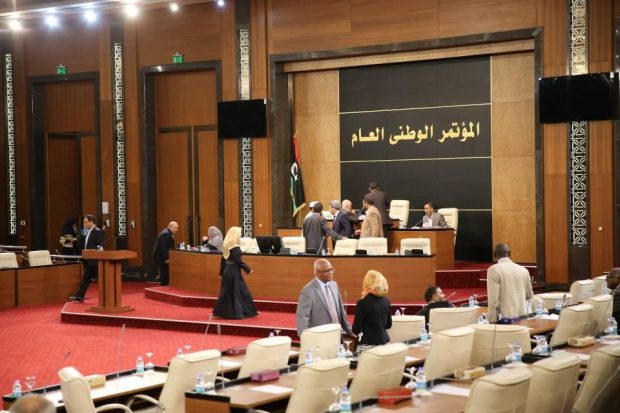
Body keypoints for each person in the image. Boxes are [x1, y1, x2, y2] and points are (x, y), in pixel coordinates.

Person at [296, 258, 354, 337]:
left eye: (331, 269)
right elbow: (302, 316)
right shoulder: (308, 291)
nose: (331, 273)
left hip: (337, 334)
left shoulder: (334, 285)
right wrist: (304, 336)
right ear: (317, 272)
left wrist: (349, 331)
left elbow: (341, 311)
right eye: (327, 271)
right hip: (321, 337)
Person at [213, 226, 257, 319]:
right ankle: (239, 312)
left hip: (227, 270)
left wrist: (221, 273)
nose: (239, 236)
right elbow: (238, 261)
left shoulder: (226, 246)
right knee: (238, 292)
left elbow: (223, 261)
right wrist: (248, 269)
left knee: (227, 292)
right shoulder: (235, 247)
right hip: (234, 272)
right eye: (239, 234)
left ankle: (223, 312)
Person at [486, 243, 534, 322]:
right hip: (524, 318)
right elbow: (529, 295)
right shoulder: (524, 270)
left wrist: (492, 321)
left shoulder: (493, 270)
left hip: (506, 320)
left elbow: (493, 300)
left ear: (494, 255)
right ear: (509, 253)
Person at [352, 270, 392, 350]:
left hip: (368, 346)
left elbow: (356, 329)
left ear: (366, 283)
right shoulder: (386, 300)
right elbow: (388, 325)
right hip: (386, 344)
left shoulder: (363, 303)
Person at [69, 215, 104, 303]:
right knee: (85, 279)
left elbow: (100, 246)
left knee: (103, 280)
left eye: (86, 222)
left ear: (91, 221)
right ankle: (79, 296)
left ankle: (107, 297)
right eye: (84, 222)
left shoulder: (98, 231)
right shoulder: (87, 232)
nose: (84, 224)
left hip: (95, 261)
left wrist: (92, 252)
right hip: (88, 260)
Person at [152, 221, 179, 286]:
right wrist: (166, 259)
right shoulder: (166, 234)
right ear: (170, 227)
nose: (177, 230)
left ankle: (165, 285)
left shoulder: (167, 232)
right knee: (164, 273)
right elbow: (163, 248)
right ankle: (164, 287)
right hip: (162, 258)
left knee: (165, 272)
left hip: (161, 256)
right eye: (175, 228)